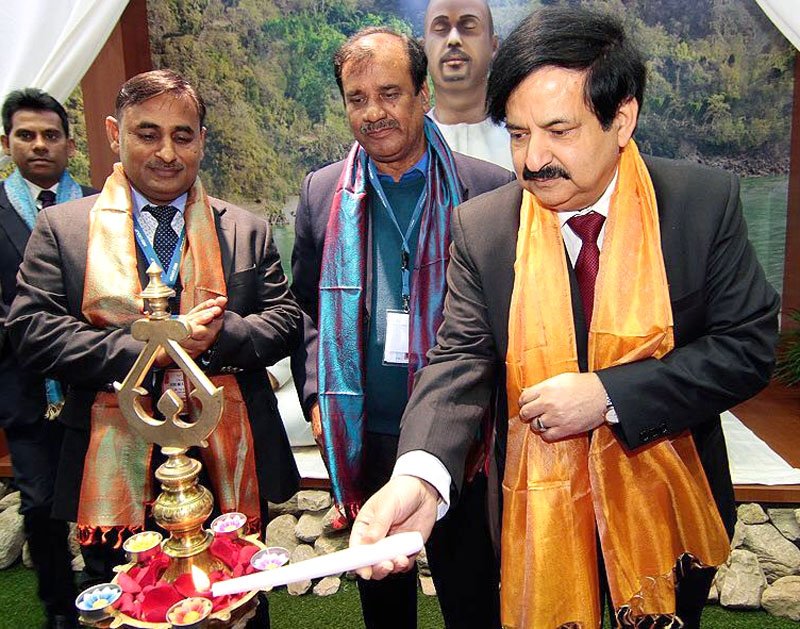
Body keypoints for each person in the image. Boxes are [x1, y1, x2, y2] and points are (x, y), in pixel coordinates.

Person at [349, 8, 780, 629]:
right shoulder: (486, 227)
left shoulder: (699, 205)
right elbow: (458, 363)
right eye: (518, 135)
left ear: (621, 118)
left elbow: (745, 348)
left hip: (667, 503)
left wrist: (609, 395)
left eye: (558, 131)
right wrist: (418, 477)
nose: (533, 162)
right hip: (535, 509)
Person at [6, 71, 302, 622]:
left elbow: (285, 320)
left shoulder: (245, 228)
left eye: (183, 136)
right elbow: (32, 330)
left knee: (239, 599)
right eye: (148, 134)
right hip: (114, 462)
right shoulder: (66, 228)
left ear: (202, 140)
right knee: (128, 603)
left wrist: (218, 338)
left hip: (227, 459)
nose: (167, 152)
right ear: (115, 134)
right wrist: (152, 350)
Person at [290, 27, 513, 629]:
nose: (373, 113)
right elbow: (307, 306)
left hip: (460, 437)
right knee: (382, 593)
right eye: (356, 98)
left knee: (472, 591)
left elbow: (505, 320)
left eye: (389, 93)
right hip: (367, 428)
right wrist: (316, 391)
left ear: (423, 94)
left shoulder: (487, 189)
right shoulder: (322, 192)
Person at [0, 88, 95, 629]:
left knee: (98, 497)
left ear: (69, 143)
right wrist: (32, 330)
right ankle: (59, 605)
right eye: (26, 135)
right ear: (7, 142)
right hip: (24, 385)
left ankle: (107, 589)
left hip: (93, 385)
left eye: (51, 135)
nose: (39, 145)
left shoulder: (99, 203)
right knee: (38, 503)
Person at [424, 0, 513, 170]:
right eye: (441, 29)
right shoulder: (407, 144)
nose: (454, 39)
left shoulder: (523, 142)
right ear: (424, 48)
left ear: (493, 47)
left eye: (469, 27)